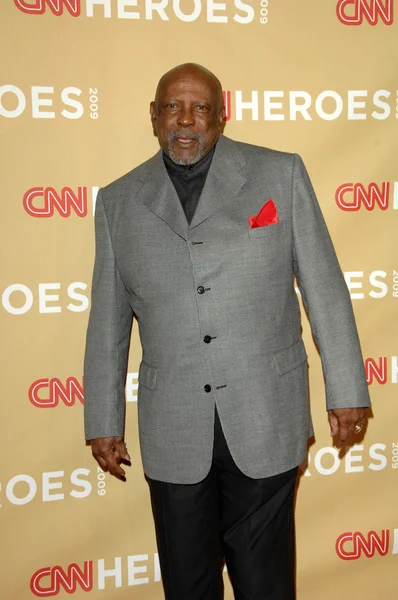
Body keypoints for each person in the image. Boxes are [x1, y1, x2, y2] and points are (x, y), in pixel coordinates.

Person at [84, 63, 371, 600]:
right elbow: (107, 321)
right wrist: (103, 418)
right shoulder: (119, 201)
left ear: (222, 115)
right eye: (172, 106)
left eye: (199, 108)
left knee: (264, 583)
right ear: (153, 115)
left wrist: (348, 389)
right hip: (174, 426)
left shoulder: (279, 174)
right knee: (187, 584)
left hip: (267, 413)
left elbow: (325, 288)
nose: (185, 120)